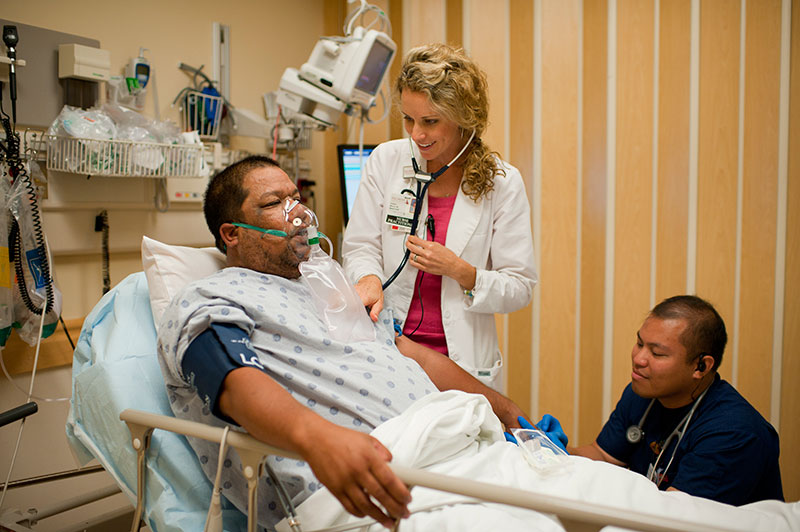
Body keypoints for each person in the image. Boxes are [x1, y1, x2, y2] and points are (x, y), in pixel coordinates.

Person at [157, 155, 529, 530]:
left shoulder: (330, 289)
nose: (297, 212)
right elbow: (231, 378)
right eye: (274, 203)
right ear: (231, 234)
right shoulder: (211, 298)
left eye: (296, 197)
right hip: (375, 483)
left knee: (565, 496)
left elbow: (409, 353)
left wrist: (510, 413)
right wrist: (322, 441)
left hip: (459, 448)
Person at [342, 43, 536, 390]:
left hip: (461, 364)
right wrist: (368, 277)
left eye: (430, 121)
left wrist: (462, 271)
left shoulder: (502, 182)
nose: (416, 134)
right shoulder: (386, 161)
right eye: (408, 119)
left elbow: (519, 287)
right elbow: (360, 246)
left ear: (463, 118)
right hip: (389, 348)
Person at [537, 295, 784, 506]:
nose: (639, 359)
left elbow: (676, 517)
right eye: (639, 343)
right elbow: (604, 455)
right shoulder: (642, 394)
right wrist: (554, 449)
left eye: (657, 353)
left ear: (701, 366)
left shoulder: (733, 433)